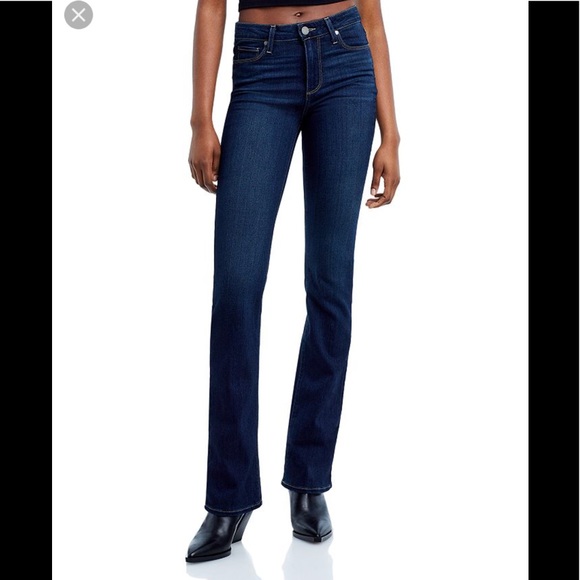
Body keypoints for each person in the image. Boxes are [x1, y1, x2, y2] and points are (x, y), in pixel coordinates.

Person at [186, 0, 400, 563]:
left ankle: (309, 477)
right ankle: (229, 496)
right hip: (262, 68)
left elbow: (372, 17)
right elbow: (211, 5)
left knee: (330, 285)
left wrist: (392, 135)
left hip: (347, 66)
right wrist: (201, 120)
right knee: (236, 288)